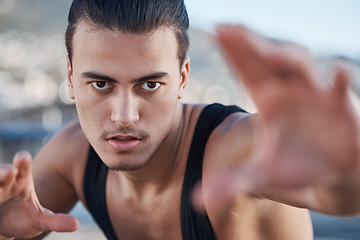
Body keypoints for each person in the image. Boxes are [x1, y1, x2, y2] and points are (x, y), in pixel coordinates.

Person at [1, 0, 360, 239]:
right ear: (70, 78)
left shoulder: (230, 149)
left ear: (183, 79)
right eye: (100, 83)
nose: (124, 115)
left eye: (150, 84)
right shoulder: (73, 154)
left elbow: (343, 192)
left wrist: (345, 166)